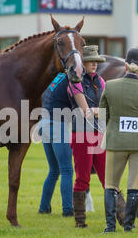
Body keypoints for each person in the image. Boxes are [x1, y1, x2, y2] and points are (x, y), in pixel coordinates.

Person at [99, 47, 138, 233]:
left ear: (125, 66)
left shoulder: (110, 86)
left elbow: (103, 114)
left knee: (111, 184)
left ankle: (110, 226)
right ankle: (129, 225)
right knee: (134, 185)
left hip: (116, 141)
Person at [38, 60, 95, 217]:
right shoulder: (75, 77)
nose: (95, 65)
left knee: (54, 170)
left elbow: (44, 95)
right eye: (92, 62)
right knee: (67, 169)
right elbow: (83, 109)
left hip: (43, 122)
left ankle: (44, 208)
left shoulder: (59, 76)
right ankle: (68, 210)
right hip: (57, 123)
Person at [69, 45, 106, 228]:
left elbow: (102, 109)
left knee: (108, 177)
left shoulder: (101, 81)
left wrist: (100, 112)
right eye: (91, 61)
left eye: (96, 61)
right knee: (83, 178)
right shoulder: (74, 82)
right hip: (81, 134)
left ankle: (122, 217)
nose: (95, 64)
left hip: (99, 133)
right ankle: (80, 221)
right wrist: (103, 111)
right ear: (82, 63)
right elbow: (86, 112)